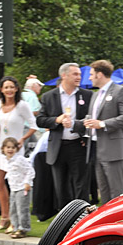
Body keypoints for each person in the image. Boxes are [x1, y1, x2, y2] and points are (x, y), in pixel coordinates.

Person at [36, 62, 93, 208]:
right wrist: (56, 120)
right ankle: (65, 222)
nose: (79, 77)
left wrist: (76, 125)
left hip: (79, 146)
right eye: (75, 74)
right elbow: (40, 120)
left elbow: (90, 119)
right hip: (58, 147)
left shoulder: (87, 95)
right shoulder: (49, 96)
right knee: (61, 187)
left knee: (81, 186)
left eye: (79, 74)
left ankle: (82, 220)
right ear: (64, 75)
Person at [0, 76, 36, 230]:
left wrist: (22, 139)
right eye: (6, 87)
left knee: (16, 185)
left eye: (11, 87)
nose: (8, 90)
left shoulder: (22, 105)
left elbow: (34, 125)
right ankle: (5, 216)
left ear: (16, 89)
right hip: (1, 148)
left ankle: (16, 221)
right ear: (1, 89)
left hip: (15, 150)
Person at [83, 60, 123, 204]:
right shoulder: (95, 95)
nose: (89, 78)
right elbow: (91, 119)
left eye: (91, 74)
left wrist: (102, 124)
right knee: (104, 193)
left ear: (99, 74)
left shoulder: (120, 91)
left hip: (115, 150)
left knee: (117, 194)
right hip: (97, 150)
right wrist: (74, 123)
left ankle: (121, 223)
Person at [0, 137, 35, 239]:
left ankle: (23, 228)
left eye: (13, 148)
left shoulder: (20, 159)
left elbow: (30, 171)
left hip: (22, 188)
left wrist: (27, 183)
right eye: (8, 147)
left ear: (16, 149)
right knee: (13, 209)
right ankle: (15, 227)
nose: (10, 150)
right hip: (13, 188)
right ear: (3, 149)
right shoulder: (6, 160)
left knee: (22, 209)